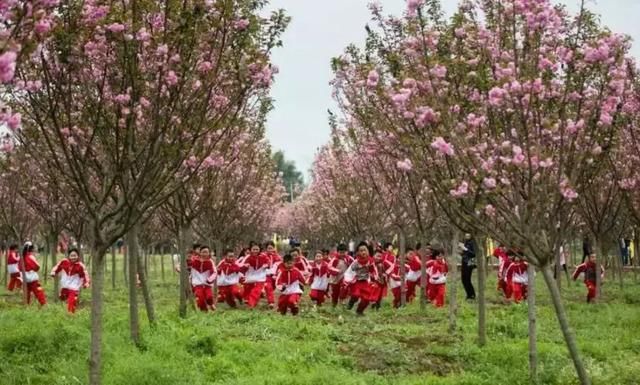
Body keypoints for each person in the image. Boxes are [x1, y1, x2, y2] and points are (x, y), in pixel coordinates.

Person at [50, 248, 90, 313]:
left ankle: (70, 314)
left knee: (72, 300)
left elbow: (85, 274)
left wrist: (86, 283)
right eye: (71, 255)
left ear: (78, 256)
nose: (73, 257)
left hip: (74, 286)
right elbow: (58, 266)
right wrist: (53, 272)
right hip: (65, 285)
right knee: (63, 296)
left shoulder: (80, 265)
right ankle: (62, 296)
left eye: (75, 256)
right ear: (69, 256)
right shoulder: (64, 261)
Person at [344, 242, 378, 315]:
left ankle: (359, 311)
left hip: (365, 282)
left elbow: (374, 271)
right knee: (355, 295)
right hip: (357, 282)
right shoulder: (356, 262)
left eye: (364, 250)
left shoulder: (370, 261)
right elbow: (349, 271)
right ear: (358, 252)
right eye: (361, 251)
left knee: (366, 299)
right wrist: (348, 280)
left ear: (368, 251)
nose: (363, 252)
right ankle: (351, 302)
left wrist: (374, 280)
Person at [240, 242, 271, 308]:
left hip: (260, 277)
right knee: (248, 289)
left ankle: (251, 304)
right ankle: (249, 300)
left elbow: (268, 263)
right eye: (254, 249)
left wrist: (266, 265)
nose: (255, 251)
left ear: (260, 249)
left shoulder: (263, 256)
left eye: (257, 249)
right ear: (251, 249)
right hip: (250, 277)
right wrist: (245, 266)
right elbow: (241, 266)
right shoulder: (248, 257)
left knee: (257, 290)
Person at [190, 246, 217, 312]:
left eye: (206, 252)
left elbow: (214, 272)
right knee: (200, 298)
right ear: (200, 253)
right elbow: (186, 264)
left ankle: (211, 304)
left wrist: (209, 280)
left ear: (209, 253)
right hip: (198, 284)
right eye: (203, 252)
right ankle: (205, 312)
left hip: (207, 284)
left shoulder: (210, 262)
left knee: (209, 297)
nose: (205, 254)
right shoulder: (194, 261)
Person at [264, 241, 281, 309]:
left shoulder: (277, 257)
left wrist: (277, 274)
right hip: (266, 275)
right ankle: (271, 302)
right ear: (266, 249)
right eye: (268, 248)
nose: (270, 250)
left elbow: (281, 266)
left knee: (272, 287)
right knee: (268, 287)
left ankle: (268, 295)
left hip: (274, 276)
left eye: (271, 248)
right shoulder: (263, 256)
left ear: (274, 248)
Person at [460, 233, 476, 300]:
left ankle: (471, 295)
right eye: (466, 236)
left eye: (468, 236)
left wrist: (465, 249)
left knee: (467, 279)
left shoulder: (472, 243)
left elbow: (473, 254)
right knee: (463, 279)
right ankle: (468, 294)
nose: (467, 237)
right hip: (464, 262)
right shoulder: (466, 242)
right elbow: (466, 253)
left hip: (469, 262)